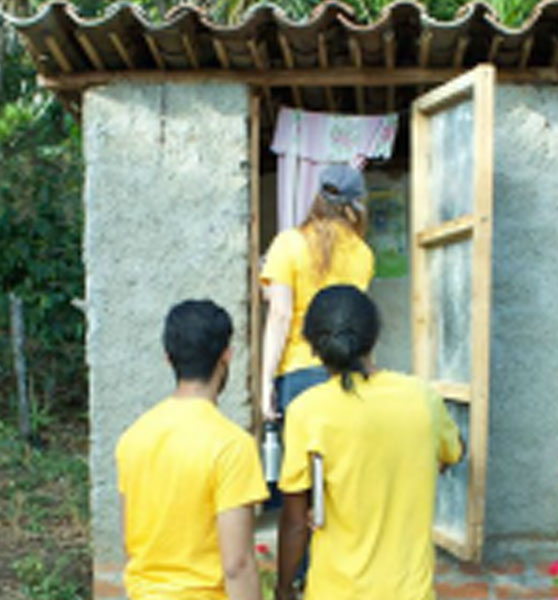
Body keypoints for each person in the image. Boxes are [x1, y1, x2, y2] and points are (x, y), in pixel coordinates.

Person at [275, 285, 464, 600]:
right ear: (373, 337)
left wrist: (283, 589)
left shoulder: (307, 411)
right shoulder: (421, 397)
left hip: (335, 591)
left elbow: (295, 522)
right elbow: (454, 450)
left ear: (312, 345)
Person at [115, 299, 268, 600]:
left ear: (168, 359)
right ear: (227, 355)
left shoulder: (133, 438)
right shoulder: (232, 446)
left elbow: (129, 544)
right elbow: (237, 565)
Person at [259, 164, 374, 423]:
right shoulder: (363, 254)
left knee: (302, 461)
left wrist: (266, 382)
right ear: (356, 205)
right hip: (347, 373)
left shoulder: (289, 243)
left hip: (299, 372)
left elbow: (280, 314)